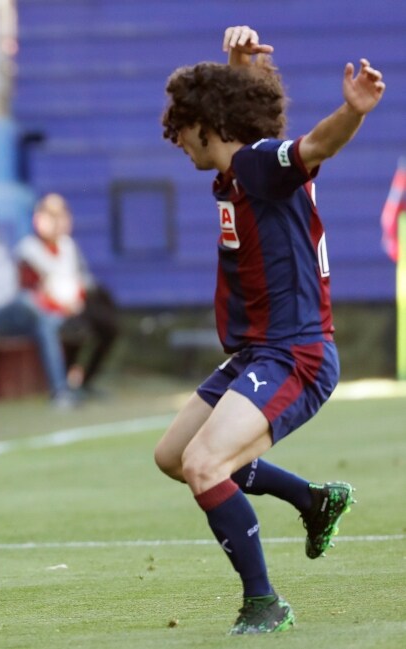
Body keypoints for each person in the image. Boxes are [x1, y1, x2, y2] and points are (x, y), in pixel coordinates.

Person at [153, 26, 385, 634]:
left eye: (181, 123)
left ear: (209, 122)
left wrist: (351, 111)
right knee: (174, 457)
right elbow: (260, 132)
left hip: (295, 355)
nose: (174, 136)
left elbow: (312, 148)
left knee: (206, 465)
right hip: (260, 351)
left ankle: (264, 603)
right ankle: (313, 500)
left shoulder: (258, 165)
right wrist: (237, 70)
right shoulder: (243, 171)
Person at [14, 193, 118, 404]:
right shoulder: (28, 249)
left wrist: (76, 299)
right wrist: (55, 304)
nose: (56, 220)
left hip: (71, 307)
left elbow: (82, 279)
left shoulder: (68, 246)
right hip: (44, 312)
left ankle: (84, 382)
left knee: (107, 324)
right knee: (50, 325)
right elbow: (27, 293)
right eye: (51, 214)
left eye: (61, 214)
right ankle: (60, 390)